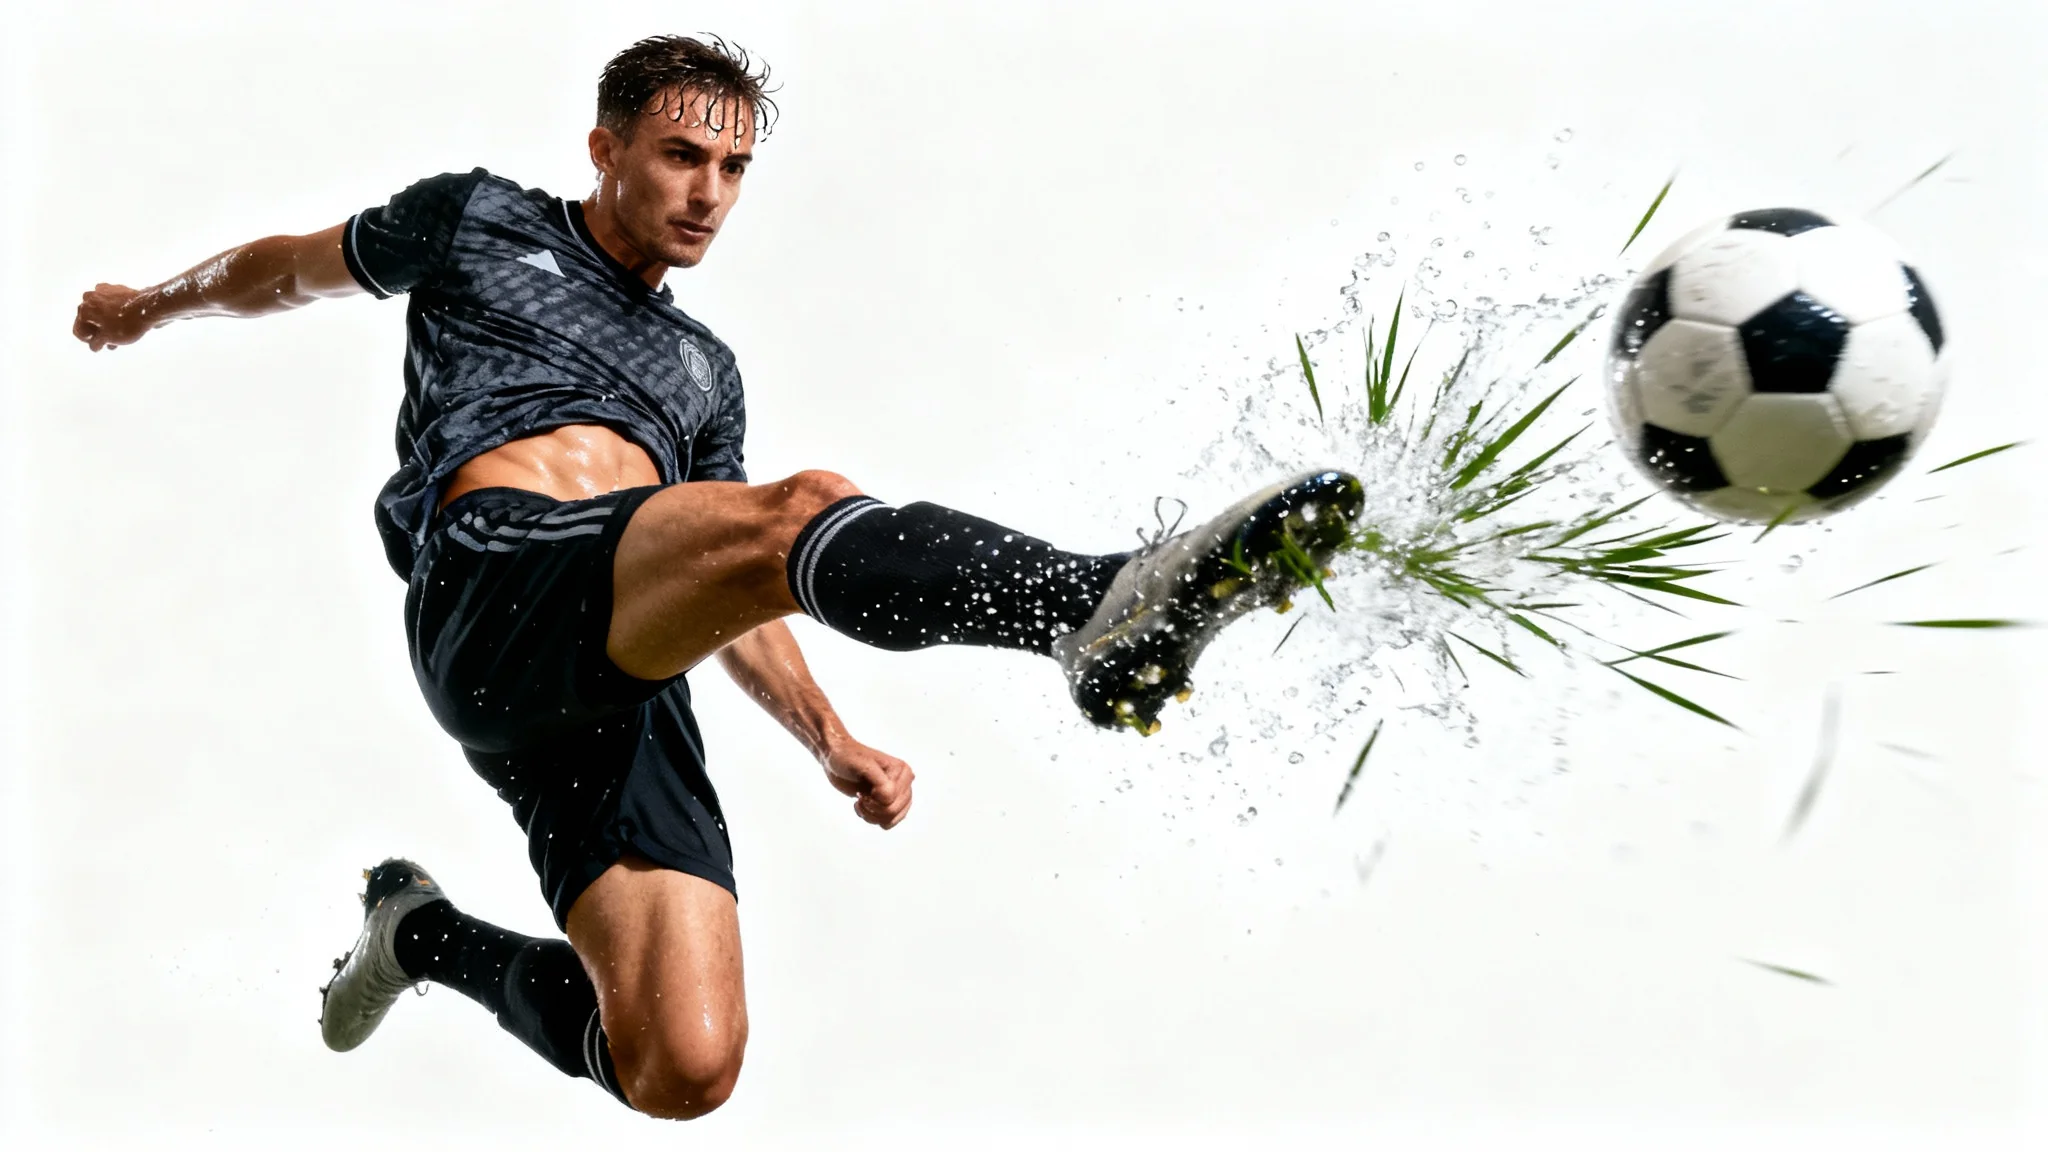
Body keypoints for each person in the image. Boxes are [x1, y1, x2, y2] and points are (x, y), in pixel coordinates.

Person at [70, 34, 1364, 1121]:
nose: (710, 192)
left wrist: (830, 738)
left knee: (682, 1066)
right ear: (606, 149)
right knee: (796, 507)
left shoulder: (704, 373)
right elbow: (287, 268)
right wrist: (151, 303)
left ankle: (421, 938)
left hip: (618, 673)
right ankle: (1088, 605)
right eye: (683, 156)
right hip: (494, 589)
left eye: (734, 168)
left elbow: (739, 576)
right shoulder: (477, 218)